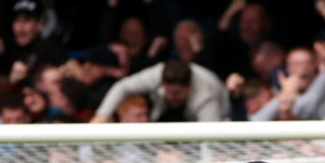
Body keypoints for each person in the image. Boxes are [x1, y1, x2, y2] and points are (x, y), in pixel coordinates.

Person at [92, 59, 229, 123]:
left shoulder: (205, 95)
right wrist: (102, 115)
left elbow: (210, 139)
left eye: (176, 93)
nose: (171, 96)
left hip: (220, 118)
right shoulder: (159, 73)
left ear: (189, 87)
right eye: (168, 91)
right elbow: (123, 87)